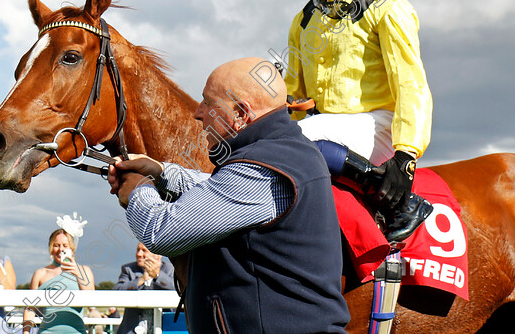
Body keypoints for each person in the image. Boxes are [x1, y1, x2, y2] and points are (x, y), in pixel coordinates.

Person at [108, 57, 349, 334]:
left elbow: (160, 230)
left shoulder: (263, 165)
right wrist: (160, 172)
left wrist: (138, 189)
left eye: (208, 103)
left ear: (240, 113)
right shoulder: (283, 152)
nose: (198, 113)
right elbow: (216, 188)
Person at [285, 0, 434, 241]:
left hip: (380, 124)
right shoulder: (304, 20)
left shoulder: (388, 7)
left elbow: (412, 86)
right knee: (278, 141)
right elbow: (295, 94)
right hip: (329, 129)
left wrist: (406, 156)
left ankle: (402, 201)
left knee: (300, 141)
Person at [22, 227, 95, 334]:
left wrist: (77, 273)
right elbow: (30, 308)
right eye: (56, 245)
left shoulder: (84, 271)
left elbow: (91, 300)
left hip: (76, 331)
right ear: (51, 248)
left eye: (65, 245)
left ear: (72, 248)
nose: (61, 249)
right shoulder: (40, 273)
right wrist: (26, 332)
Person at [113, 243, 175, 334]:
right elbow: (116, 291)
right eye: (138, 250)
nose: (139, 254)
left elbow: (178, 289)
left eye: (144, 250)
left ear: (157, 255)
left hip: (164, 328)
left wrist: (158, 275)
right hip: (132, 329)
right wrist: (140, 280)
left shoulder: (170, 269)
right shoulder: (128, 269)